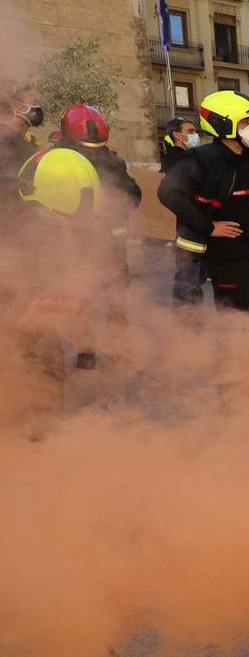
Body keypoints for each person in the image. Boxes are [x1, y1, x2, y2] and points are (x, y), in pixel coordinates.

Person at [157, 90, 249, 315]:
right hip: (227, 257)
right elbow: (168, 192)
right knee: (233, 321)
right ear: (224, 124)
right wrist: (210, 227)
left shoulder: (246, 158)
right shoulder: (203, 158)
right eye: (246, 121)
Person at [11, 148, 103, 429]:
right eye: (62, 216)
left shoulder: (48, 216)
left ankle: (44, 432)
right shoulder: (13, 221)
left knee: (45, 358)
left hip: (34, 310)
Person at [57, 104, 142, 368]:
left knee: (101, 300)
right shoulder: (109, 160)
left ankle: (97, 352)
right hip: (92, 246)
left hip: (96, 245)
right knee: (100, 301)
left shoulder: (66, 159)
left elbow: (133, 195)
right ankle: (102, 351)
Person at [0, 82, 41, 200]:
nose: (38, 108)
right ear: (17, 107)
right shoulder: (5, 139)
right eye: (34, 103)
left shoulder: (21, 138)